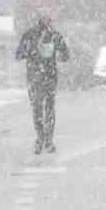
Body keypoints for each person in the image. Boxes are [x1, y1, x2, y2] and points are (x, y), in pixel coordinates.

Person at [14, 11, 70, 154]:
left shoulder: (30, 35)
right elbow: (65, 55)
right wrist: (56, 55)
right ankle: (47, 140)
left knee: (38, 108)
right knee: (48, 108)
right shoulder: (55, 36)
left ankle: (41, 138)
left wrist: (29, 53)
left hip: (36, 77)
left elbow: (19, 55)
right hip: (48, 77)